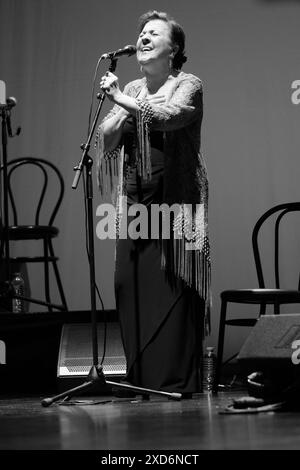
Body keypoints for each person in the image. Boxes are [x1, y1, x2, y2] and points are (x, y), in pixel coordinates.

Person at [95, 10, 211, 396]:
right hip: (134, 202)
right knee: (129, 283)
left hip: (176, 202)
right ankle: (142, 378)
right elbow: (108, 140)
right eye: (141, 32)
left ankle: (176, 380)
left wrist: (123, 102)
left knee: (175, 282)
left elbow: (170, 117)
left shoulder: (188, 83)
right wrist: (116, 108)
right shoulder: (133, 87)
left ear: (173, 48)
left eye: (153, 33)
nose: (143, 37)